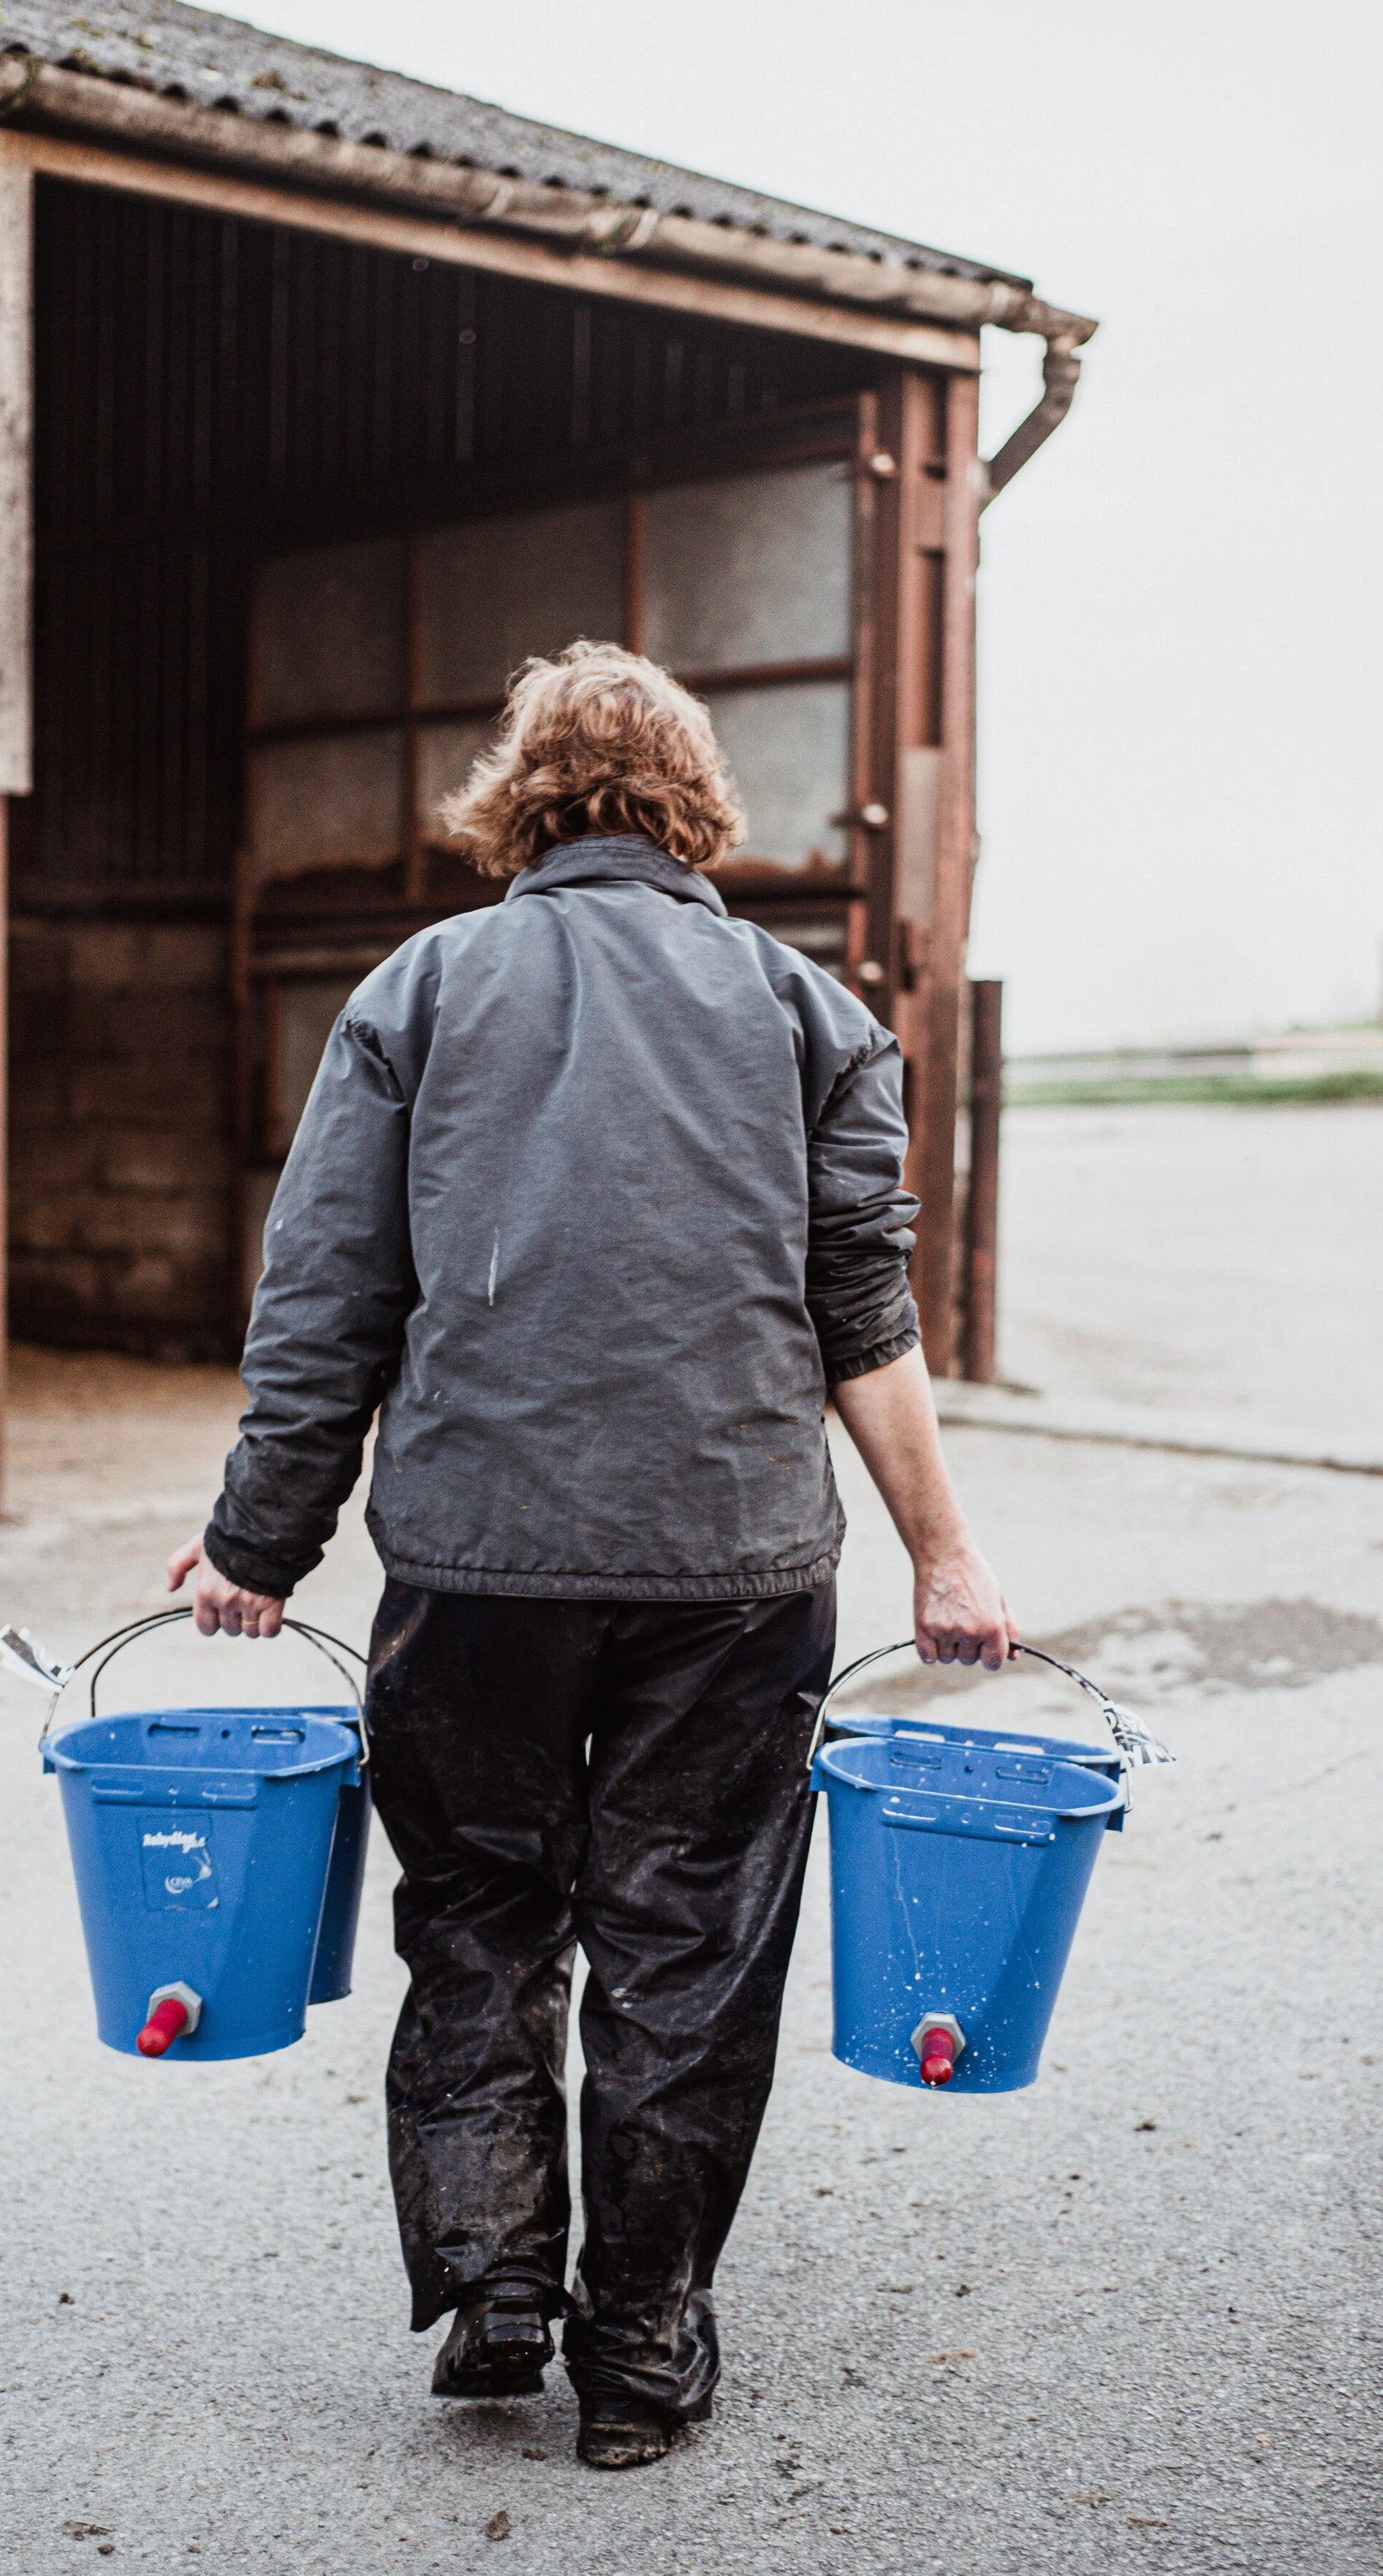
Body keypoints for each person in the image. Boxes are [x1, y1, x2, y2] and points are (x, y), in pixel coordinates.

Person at [169, 641, 1012, 2470]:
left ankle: (491, 2281)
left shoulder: (421, 989)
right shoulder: (809, 1011)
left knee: (478, 1913)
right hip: (731, 1573)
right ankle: (638, 2345)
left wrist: (260, 1540)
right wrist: (942, 1558)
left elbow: (327, 1300)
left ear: (516, 803)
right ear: (697, 805)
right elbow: (864, 1311)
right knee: (686, 1945)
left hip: (475, 1571)